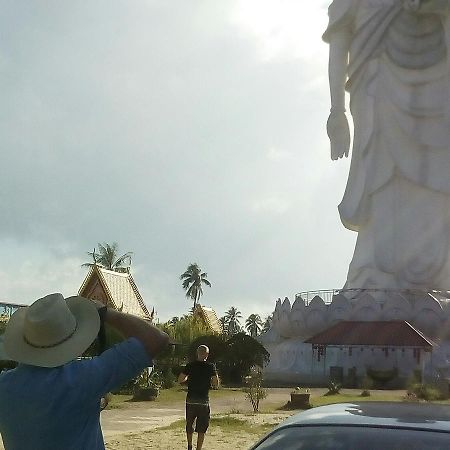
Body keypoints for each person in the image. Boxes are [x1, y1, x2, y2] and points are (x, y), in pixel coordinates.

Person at [324, 0, 450, 291]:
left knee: (434, 177)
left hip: (435, 84)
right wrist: (336, 110)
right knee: (381, 171)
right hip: (376, 80)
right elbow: (339, 46)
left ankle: (436, 272)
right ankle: (374, 270)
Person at [0, 292, 169, 450]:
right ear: (71, 340)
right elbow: (156, 339)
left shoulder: (4, 386)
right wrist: (106, 313)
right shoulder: (82, 379)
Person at [178, 345, 219, 450]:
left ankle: (189, 446)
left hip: (191, 399)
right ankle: (198, 448)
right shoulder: (211, 366)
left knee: (189, 424)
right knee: (202, 427)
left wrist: (188, 380)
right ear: (207, 354)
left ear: (197, 353)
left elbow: (180, 379)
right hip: (203, 400)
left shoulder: (190, 366)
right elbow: (215, 383)